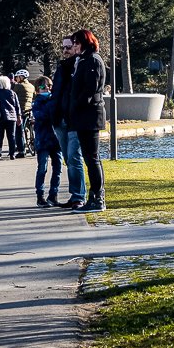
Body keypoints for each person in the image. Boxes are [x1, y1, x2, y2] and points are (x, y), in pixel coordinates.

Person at [62, 28, 107, 212]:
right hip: (84, 115)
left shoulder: (92, 61)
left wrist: (76, 106)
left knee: (92, 158)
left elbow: (89, 89)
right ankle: (95, 196)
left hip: (88, 115)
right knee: (90, 158)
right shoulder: (84, 60)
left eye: (77, 43)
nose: (75, 47)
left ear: (85, 43)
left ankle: (97, 197)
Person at [51, 36, 86, 208]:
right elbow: (56, 94)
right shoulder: (61, 68)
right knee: (68, 158)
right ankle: (75, 195)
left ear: (76, 47)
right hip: (60, 119)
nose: (65, 50)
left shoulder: (79, 66)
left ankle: (79, 196)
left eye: (69, 47)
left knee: (74, 156)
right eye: (63, 47)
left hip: (73, 120)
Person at [31, 75, 63, 206]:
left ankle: (53, 194)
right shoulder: (37, 102)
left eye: (49, 86)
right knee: (42, 168)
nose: (47, 89)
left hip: (56, 139)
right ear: (37, 90)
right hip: (43, 139)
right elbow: (42, 116)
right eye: (43, 87)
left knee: (58, 168)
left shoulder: (55, 100)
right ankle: (40, 196)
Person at [0, 73, 21, 160]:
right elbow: (17, 106)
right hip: (11, 117)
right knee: (11, 136)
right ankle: (12, 154)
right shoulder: (12, 93)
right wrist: (19, 116)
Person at [10, 72, 34, 159]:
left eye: (17, 77)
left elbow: (13, 96)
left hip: (21, 110)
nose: (16, 79)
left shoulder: (18, 86)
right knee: (28, 127)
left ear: (21, 77)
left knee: (19, 131)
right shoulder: (31, 86)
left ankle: (21, 150)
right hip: (29, 109)